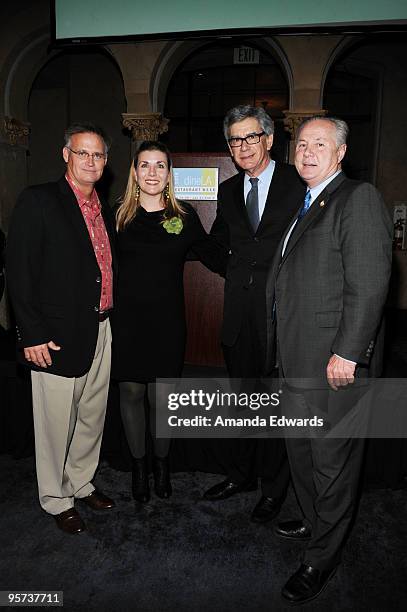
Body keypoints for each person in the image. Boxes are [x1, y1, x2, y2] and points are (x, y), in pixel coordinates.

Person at [265, 116, 392, 604]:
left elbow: (368, 284)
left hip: (332, 365)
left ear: (341, 152)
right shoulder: (306, 203)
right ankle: (318, 523)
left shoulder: (356, 199)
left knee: (332, 463)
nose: (308, 151)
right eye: (301, 143)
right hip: (294, 361)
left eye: (320, 143)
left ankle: (322, 557)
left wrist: (349, 352)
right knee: (302, 453)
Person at [6, 123, 117, 535]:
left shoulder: (102, 206)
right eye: (82, 153)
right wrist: (30, 334)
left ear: (106, 162)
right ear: (65, 155)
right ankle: (55, 498)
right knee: (55, 423)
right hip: (52, 335)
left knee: (91, 416)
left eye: (99, 155)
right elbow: (19, 271)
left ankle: (81, 482)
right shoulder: (39, 200)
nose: (91, 161)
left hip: (100, 326)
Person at [203, 105, 306, 523]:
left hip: (282, 316)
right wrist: (179, 232)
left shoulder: (298, 181)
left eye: (250, 137)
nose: (242, 147)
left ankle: (273, 489)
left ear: (267, 139)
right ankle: (240, 474)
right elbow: (217, 244)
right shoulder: (228, 191)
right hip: (239, 316)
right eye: (234, 140)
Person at [111, 141, 224, 503]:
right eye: (145, 165)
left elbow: (212, 256)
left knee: (162, 398)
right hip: (126, 321)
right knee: (130, 392)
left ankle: (162, 466)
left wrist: (257, 260)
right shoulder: (117, 216)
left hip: (167, 322)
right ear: (135, 172)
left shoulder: (184, 216)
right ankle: (139, 469)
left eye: (160, 165)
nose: (152, 173)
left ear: (169, 173)